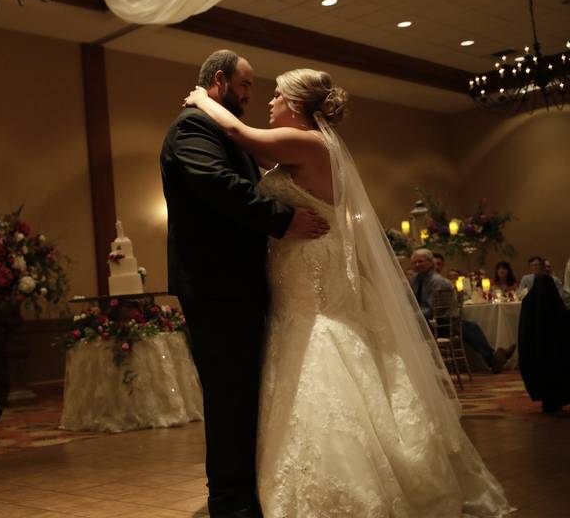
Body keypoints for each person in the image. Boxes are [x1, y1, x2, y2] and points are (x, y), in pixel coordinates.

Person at [184, 68, 511, 517]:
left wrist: (202, 98)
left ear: (295, 106)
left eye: (276, 95)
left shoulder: (307, 143)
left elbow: (240, 132)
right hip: (298, 276)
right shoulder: (308, 148)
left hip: (309, 283)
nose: (270, 101)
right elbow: (257, 157)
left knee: (320, 360)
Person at [161, 50, 329, 518]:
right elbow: (219, 186)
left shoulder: (221, 130)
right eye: (247, 86)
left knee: (245, 392)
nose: (252, 96)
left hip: (241, 283)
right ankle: (230, 503)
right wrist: (283, 219)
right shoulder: (191, 129)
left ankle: (247, 489)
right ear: (220, 80)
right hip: (216, 286)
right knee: (228, 393)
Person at [409, 249, 514, 373]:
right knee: (468, 326)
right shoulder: (415, 280)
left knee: (466, 326)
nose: (417, 265)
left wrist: (410, 316)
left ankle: (493, 358)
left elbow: (432, 310)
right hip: (425, 322)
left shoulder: (439, 282)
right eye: (414, 263)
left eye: (420, 262)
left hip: (436, 323)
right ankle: (493, 358)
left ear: (431, 262)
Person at [518, 275, 570, 413]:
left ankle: (547, 399)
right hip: (557, 358)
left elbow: (523, 334)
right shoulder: (556, 306)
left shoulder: (529, 303)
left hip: (534, 356)